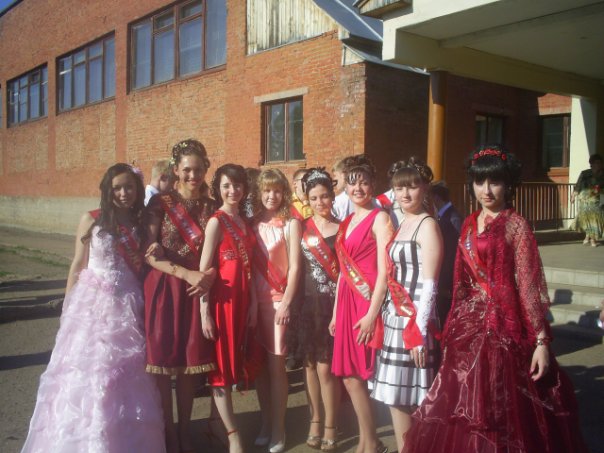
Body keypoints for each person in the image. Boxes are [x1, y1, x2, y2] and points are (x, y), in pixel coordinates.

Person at [402, 145, 589, 453]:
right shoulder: (468, 222)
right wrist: (455, 322)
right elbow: (462, 281)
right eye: (480, 182)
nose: (486, 190)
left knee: (503, 410)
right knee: (461, 404)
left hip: (506, 329)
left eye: (495, 182)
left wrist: (541, 342)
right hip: (468, 328)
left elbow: (528, 286)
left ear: (508, 184)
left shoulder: (516, 225)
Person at [22, 164, 165, 453]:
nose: (123, 193)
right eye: (117, 188)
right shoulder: (91, 219)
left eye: (129, 187)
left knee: (125, 373)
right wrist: (67, 307)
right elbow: (78, 263)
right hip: (91, 305)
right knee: (86, 371)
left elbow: (148, 258)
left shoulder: (140, 223)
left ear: (137, 190)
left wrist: (157, 250)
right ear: (107, 190)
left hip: (127, 304)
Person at [144, 139, 217, 453]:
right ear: (176, 170)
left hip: (198, 290)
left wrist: (210, 275)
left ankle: (185, 430)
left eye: (198, 169)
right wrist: (187, 274)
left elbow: (221, 252)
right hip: (166, 287)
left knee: (190, 365)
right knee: (164, 364)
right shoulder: (160, 203)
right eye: (187, 169)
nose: (193, 175)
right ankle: (168, 431)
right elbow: (149, 254)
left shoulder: (212, 206)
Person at [370, 158, 443, 452]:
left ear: (424, 188)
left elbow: (430, 284)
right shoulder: (401, 223)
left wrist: (420, 332)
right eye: (399, 188)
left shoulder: (427, 225)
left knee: (414, 398)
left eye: (412, 187)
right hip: (395, 318)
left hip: (415, 320)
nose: (405, 194)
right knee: (395, 396)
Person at [330, 161, 393, 453]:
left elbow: (385, 272)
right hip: (346, 303)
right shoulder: (346, 222)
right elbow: (343, 272)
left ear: (373, 185)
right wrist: (334, 313)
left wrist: (371, 314)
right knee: (348, 376)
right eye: (352, 182)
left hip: (367, 303)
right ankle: (369, 440)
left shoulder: (380, 219)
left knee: (362, 374)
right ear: (345, 186)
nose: (357, 188)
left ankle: (369, 442)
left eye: (363, 182)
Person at [198, 164, 256, 453]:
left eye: (237, 185)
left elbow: (250, 269)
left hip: (243, 303)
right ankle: (233, 435)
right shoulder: (216, 222)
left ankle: (214, 424)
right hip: (222, 304)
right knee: (221, 370)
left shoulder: (245, 221)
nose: (233, 191)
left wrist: (253, 303)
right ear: (218, 189)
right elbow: (204, 272)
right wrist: (204, 312)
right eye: (226, 186)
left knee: (233, 366)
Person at [252, 168, 302, 453]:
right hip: (254, 304)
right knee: (259, 368)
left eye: (277, 190)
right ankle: (265, 422)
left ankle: (279, 428)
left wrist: (286, 302)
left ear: (284, 193)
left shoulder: (291, 224)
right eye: (267, 190)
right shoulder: (252, 223)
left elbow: (295, 267)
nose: (272, 196)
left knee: (276, 367)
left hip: (277, 302)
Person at [291, 168, 342, 451]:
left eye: (324, 196)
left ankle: (331, 424)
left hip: (331, 307)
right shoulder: (301, 227)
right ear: (307, 200)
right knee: (309, 365)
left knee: (326, 370)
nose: (320, 202)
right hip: (307, 305)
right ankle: (315, 420)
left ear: (332, 197)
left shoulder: (343, 228)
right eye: (314, 198)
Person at [430, 180, 463, 326]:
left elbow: (453, 253)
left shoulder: (452, 218)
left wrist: (445, 282)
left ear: (436, 198)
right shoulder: (443, 217)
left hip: (447, 280)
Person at [571, 153, 604, 247]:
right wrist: (573, 196)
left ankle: (591, 239)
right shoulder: (584, 173)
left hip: (595, 199)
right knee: (587, 219)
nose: (598, 165)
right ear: (592, 164)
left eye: (600, 163)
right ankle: (588, 237)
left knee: (594, 219)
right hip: (584, 199)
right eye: (596, 163)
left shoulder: (602, 175)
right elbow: (578, 185)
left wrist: (600, 190)